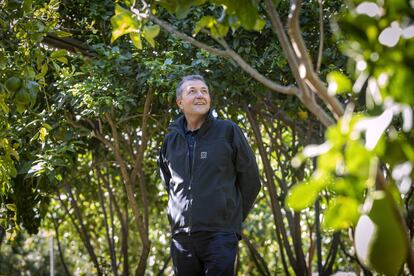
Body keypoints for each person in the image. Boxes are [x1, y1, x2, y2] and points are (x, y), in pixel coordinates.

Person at [158, 75, 261, 276]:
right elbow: (169, 183)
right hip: (182, 239)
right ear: (180, 102)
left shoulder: (227, 131)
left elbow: (251, 180)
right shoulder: (170, 140)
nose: (200, 96)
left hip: (220, 235)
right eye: (192, 91)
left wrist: (231, 219)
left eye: (204, 91)